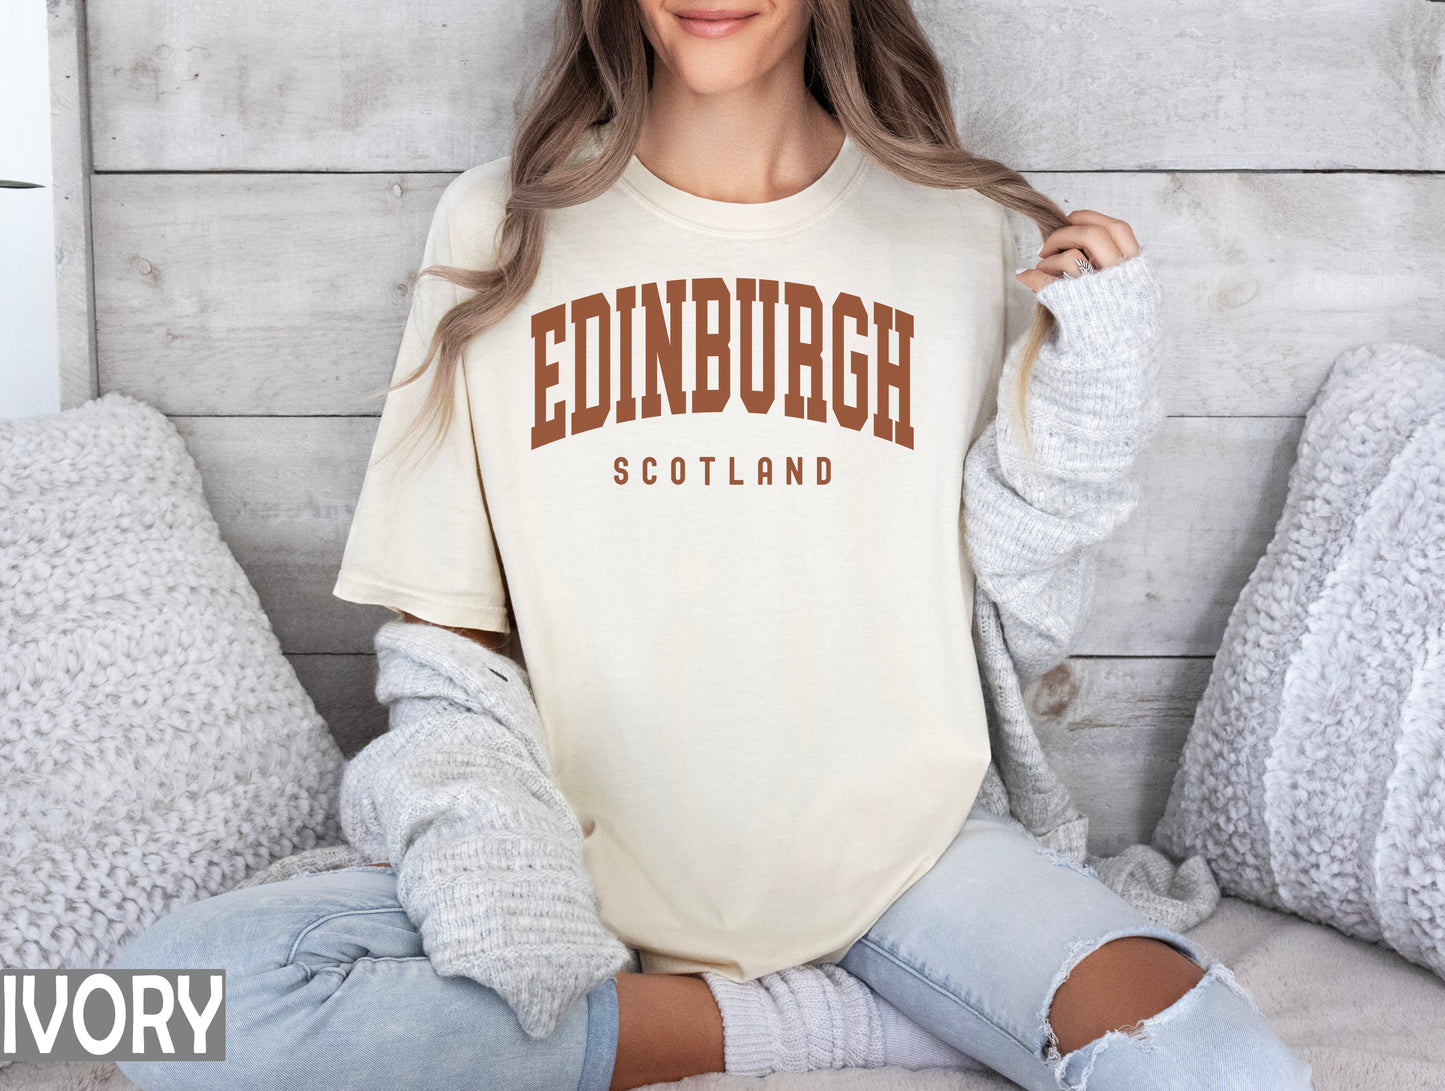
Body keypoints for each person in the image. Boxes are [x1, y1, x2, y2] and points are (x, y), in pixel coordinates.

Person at [113, 1, 1315, 1089]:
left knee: (1221, 1066)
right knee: (133, 1014)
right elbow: (444, 630)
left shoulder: (967, 229)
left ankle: (821, 997)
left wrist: (1094, 406)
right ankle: (824, 1019)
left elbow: (1020, 586)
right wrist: (493, 871)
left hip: (910, 863)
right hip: (578, 866)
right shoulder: (499, 223)